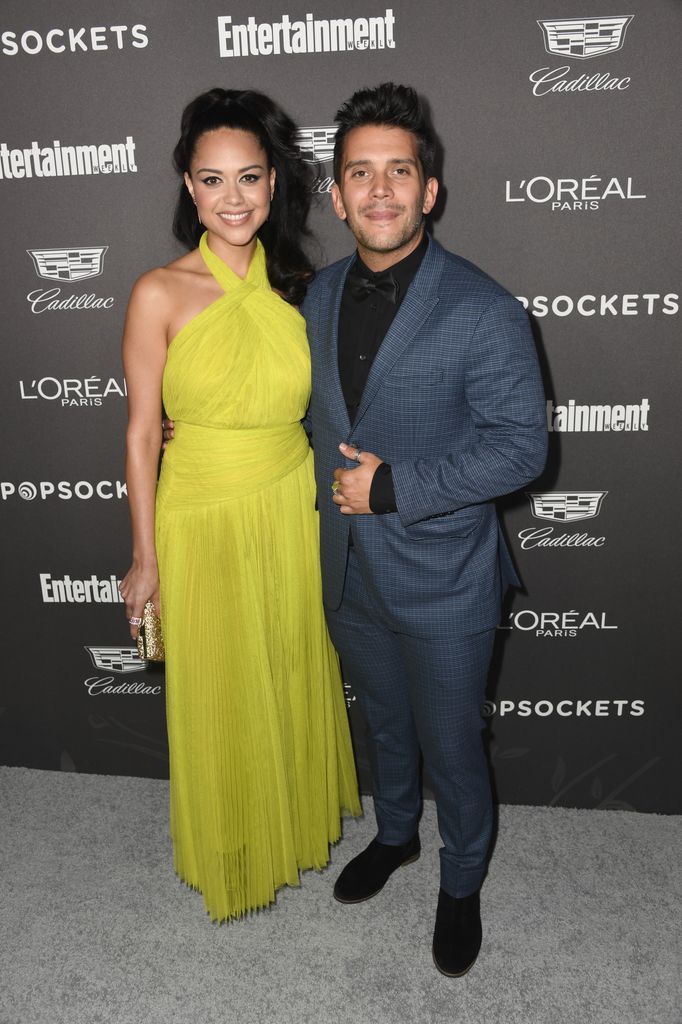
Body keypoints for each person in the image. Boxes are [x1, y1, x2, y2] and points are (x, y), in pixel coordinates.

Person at [302, 83, 547, 976]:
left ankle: (462, 882)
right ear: (336, 194)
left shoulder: (484, 308)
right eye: (359, 173)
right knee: (388, 729)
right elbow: (313, 420)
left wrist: (396, 489)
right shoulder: (317, 297)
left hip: (445, 574)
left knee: (452, 744)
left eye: (397, 171)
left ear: (428, 190)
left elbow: (521, 450)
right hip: (348, 572)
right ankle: (397, 834)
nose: (378, 190)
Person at [119, 88, 360, 923]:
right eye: (213, 180)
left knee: (290, 667)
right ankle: (232, 846)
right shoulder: (158, 292)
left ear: (274, 184)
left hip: (292, 504)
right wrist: (145, 557)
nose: (233, 199)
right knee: (222, 683)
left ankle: (290, 829)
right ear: (188, 187)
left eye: (250, 178)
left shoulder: (304, 290)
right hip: (202, 512)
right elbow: (144, 432)